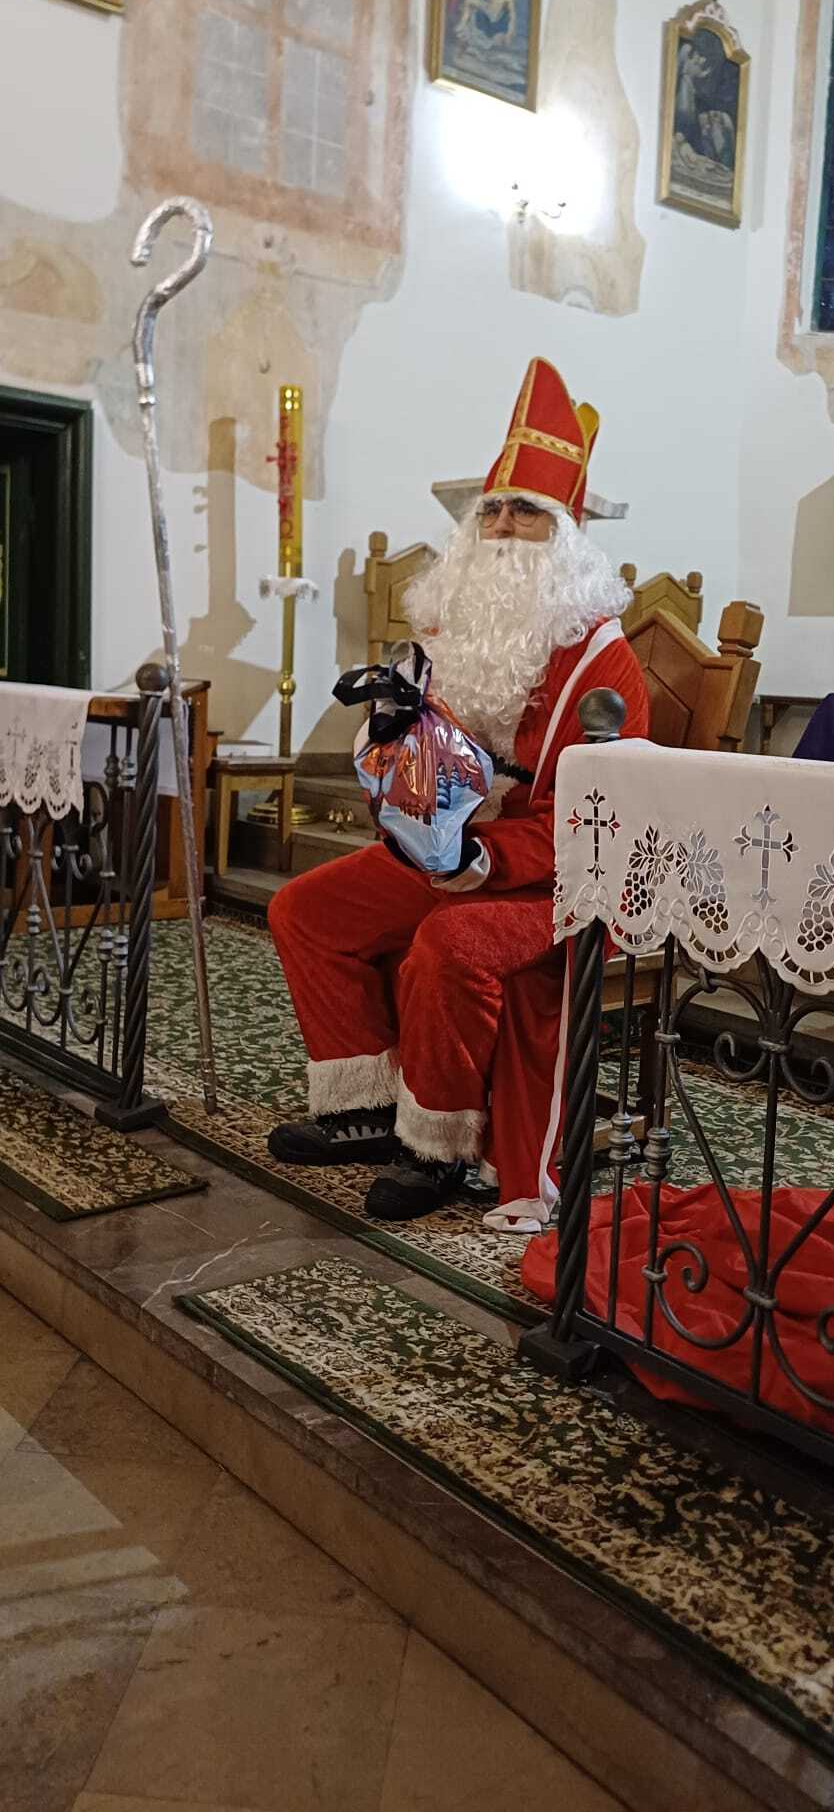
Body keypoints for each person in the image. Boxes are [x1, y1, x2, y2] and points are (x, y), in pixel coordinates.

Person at [267, 358, 650, 1230]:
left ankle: (436, 1145)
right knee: (305, 911)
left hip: (557, 878)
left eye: (528, 512)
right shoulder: (456, 637)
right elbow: (425, 762)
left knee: (449, 941)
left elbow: (594, 828)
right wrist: (392, 757)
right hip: (452, 855)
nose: (504, 526)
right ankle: (365, 1108)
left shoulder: (604, 665)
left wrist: (480, 859)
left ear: (567, 535)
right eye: (493, 510)